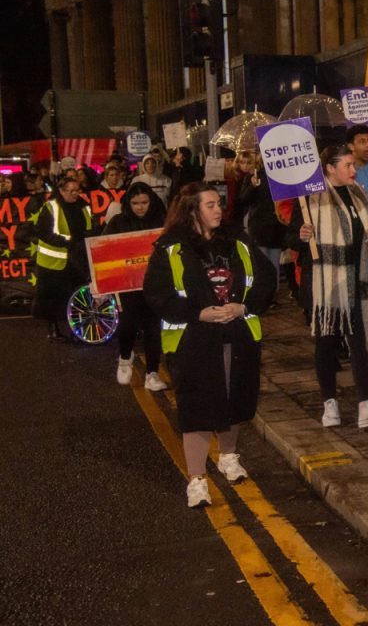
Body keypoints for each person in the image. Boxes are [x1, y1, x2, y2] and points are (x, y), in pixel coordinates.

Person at [143, 182, 276, 508]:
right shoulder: (169, 248)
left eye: (219, 203)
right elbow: (157, 293)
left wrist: (244, 307)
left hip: (238, 335)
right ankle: (197, 479)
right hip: (195, 341)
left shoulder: (238, 241)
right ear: (192, 210)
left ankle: (228, 456)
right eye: (211, 205)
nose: (219, 209)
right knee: (198, 409)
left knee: (234, 401)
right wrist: (197, 312)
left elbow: (266, 278)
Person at [288, 144, 368, 431]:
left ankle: (365, 405)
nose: (353, 170)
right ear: (330, 168)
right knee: (326, 341)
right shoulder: (310, 199)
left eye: (353, 165)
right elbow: (291, 238)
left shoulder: (360, 193)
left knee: (359, 339)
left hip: (359, 279)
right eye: (347, 165)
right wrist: (300, 235)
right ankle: (329, 403)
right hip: (325, 284)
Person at [103, 181, 169, 391]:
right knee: (127, 326)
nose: (140, 207)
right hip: (127, 287)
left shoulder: (161, 221)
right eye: (135, 203)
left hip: (154, 286)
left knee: (153, 330)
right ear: (128, 203)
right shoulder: (118, 222)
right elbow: (104, 252)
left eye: (144, 202)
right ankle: (125, 357)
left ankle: (152, 373)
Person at [32, 177, 93, 342]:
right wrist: (65, 242)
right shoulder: (51, 207)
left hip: (77, 258)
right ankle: (53, 329)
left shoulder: (84, 206)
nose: (75, 194)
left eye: (77, 190)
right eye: (71, 191)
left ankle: (76, 329)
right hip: (53, 260)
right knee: (51, 297)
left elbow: (89, 227)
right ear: (62, 191)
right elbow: (42, 232)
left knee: (75, 295)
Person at [235, 150, 285, 296]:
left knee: (273, 261)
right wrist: (252, 185)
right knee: (261, 261)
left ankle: (271, 294)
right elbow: (243, 199)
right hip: (259, 226)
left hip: (275, 225)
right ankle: (265, 293)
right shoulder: (252, 177)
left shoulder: (276, 177)